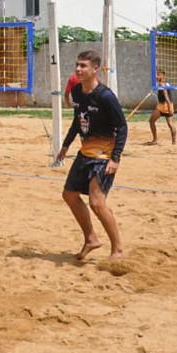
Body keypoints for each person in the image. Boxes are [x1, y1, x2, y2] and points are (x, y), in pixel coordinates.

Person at [56, 50, 128, 261]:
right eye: (77, 65)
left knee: (97, 203)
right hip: (85, 152)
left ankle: (118, 250)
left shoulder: (105, 96)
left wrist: (115, 158)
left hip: (104, 155)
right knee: (69, 195)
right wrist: (66, 145)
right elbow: (78, 120)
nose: (78, 69)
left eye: (83, 66)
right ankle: (91, 239)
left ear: (95, 69)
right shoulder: (78, 92)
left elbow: (122, 127)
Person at [148, 69, 176, 145]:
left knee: (151, 121)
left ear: (163, 75)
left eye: (158, 75)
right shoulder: (166, 84)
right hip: (169, 104)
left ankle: (155, 139)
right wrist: (170, 106)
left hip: (163, 105)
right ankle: (174, 142)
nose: (156, 76)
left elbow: (166, 96)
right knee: (170, 123)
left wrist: (169, 107)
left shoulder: (162, 85)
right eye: (156, 75)